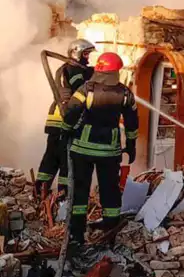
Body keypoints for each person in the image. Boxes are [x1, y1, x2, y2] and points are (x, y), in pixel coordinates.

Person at [62, 52, 138, 246]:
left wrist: (66, 131)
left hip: (83, 149)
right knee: (110, 191)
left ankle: (76, 234)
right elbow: (132, 122)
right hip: (109, 152)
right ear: (116, 71)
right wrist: (131, 145)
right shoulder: (125, 93)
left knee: (80, 192)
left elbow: (71, 112)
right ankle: (110, 233)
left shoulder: (86, 89)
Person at [35, 39, 96, 201]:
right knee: (65, 157)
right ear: (76, 52)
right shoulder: (74, 70)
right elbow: (81, 87)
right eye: (86, 54)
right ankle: (63, 195)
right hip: (65, 117)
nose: (88, 58)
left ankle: (40, 190)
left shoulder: (67, 68)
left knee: (51, 156)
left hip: (57, 118)